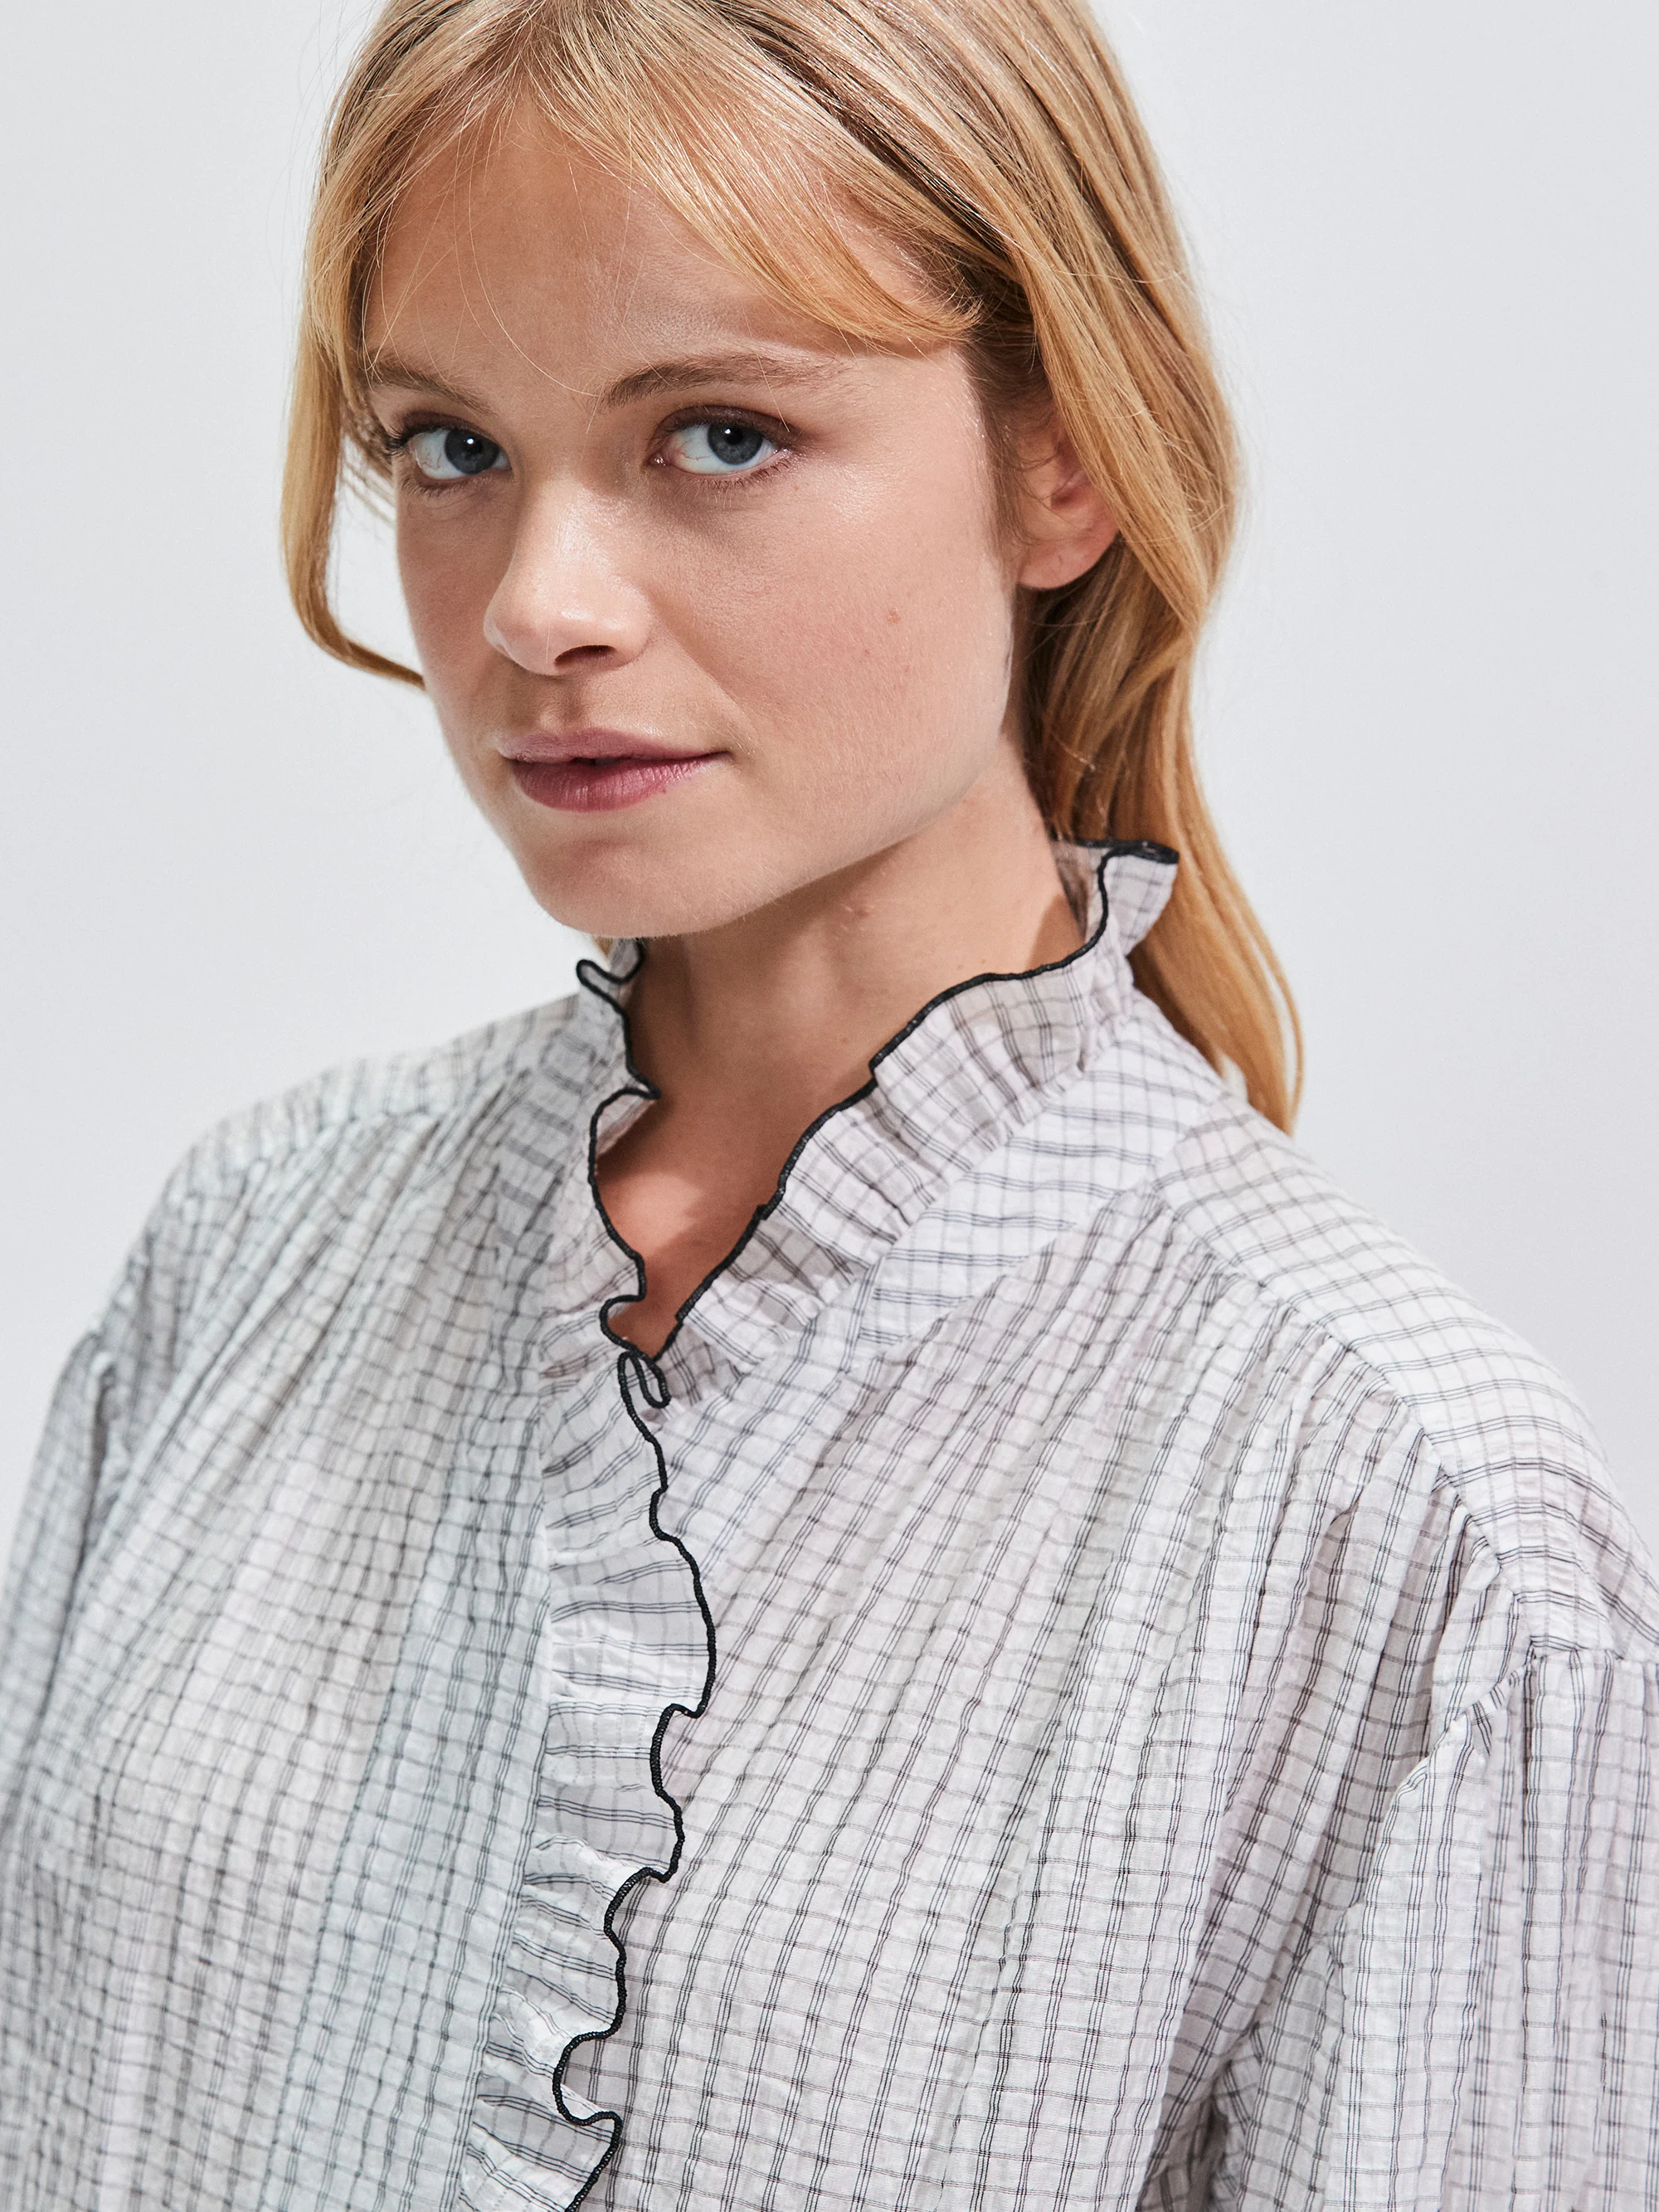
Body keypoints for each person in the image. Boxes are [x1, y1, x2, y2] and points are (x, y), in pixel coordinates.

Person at [1, 0, 1654, 2202]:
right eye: (451, 444)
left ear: (1063, 457)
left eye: (719, 434)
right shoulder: (255, 1251)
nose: (540, 608)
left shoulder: (1400, 1517)